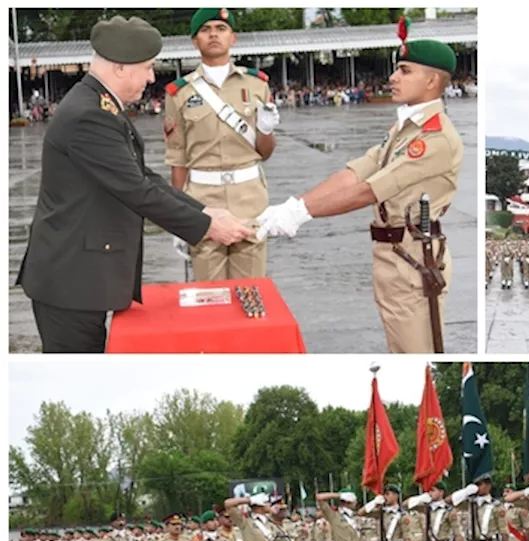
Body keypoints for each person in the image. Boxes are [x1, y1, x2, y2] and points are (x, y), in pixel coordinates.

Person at [15, 16, 256, 353]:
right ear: (120, 68)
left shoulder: (100, 105)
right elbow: (136, 191)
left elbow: (143, 177)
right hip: (71, 282)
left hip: (81, 276)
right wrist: (209, 227)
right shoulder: (90, 115)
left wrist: (204, 210)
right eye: (146, 68)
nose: (151, 77)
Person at [256, 33, 462, 353]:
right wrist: (295, 204)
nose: (393, 77)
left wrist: (302, 214)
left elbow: (369, 191)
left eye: (405, 70)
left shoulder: (433, 138)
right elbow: (354, 173)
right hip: (396, 256)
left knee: (414, 354)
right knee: (400, 349)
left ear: (432, 80)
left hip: (415, 259)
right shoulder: (405, 128)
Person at [165, 8, 278, 281]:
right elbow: (178, 161)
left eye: (221, 28)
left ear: (233, 38)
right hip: (202, 200)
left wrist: (265, 129)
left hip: (249, 196)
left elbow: (265, 152)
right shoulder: (178, 93)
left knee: (250, 293)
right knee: (209, 296)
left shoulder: (257, 85)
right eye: (205, 30)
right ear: (195, 41)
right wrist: (179, 221)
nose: (213, 34)